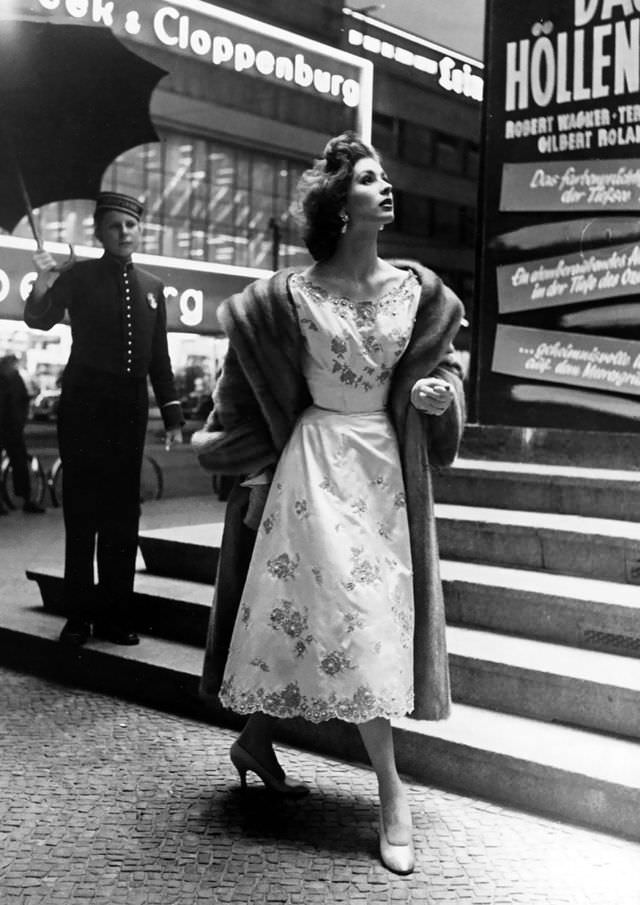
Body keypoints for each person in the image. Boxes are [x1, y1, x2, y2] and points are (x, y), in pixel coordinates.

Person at [193, 132, 465, 875]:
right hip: (311, 470)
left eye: (385, 178)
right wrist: (244, 462)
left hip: (381, 472)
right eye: (371, 179)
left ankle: (255, 739)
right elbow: (239, 395)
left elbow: (439, 373)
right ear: (339, 204)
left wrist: (437, 398)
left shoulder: (420, 293)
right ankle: (391, 788)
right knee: (330, 614)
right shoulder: (285, 297)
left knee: (353, 621)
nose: (386, 188)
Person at [24, 192, 183, 648]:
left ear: (139, 230)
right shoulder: (78, 276)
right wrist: (43, 280)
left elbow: (160, 359)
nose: (124, 233)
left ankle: (115, 616)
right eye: (114, 226)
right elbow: (40, 320)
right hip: (84, 404)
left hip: (129, 408)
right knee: (82, 510)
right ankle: (78, 617)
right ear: (99, 232)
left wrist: (172, 414)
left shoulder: (153, 288)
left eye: (130, 226)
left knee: (122, 513)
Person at [0, 354, 45, 514]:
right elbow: (21, 401)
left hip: (9, 426)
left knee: (19, 461)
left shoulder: (11, 378)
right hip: (12, 427)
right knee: (19, 462)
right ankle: (26, 500)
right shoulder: (15, 378)